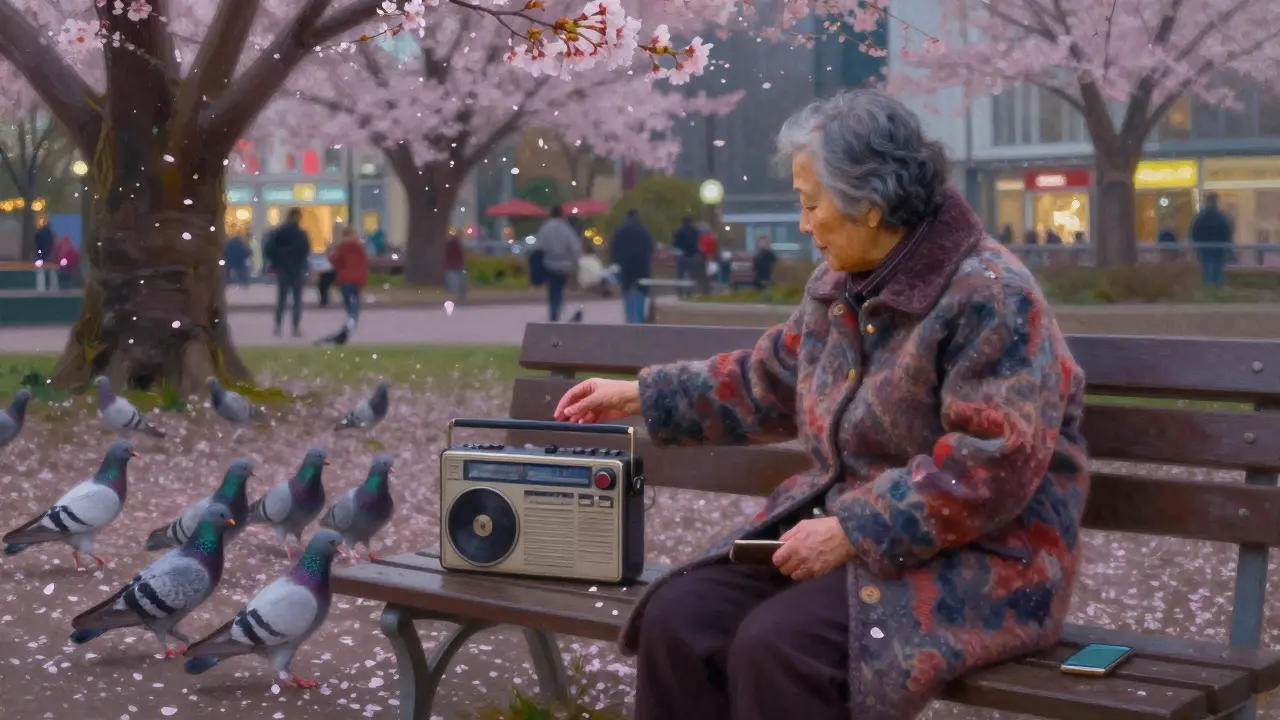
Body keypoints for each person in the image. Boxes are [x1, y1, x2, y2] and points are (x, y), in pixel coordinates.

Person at [552, 89, 1088, 720]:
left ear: (870, 205)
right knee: (681, 618)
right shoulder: (839, 287)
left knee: (779, 648)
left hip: (988, 559)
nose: (803, 225)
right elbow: (772, 379)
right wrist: (641, 395)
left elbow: (991, 464)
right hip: (855, 536)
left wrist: (855, 529)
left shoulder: (993, 296)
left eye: (811, 204)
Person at [263, 207, 311, 337]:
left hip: (283, 269)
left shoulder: (279, 232)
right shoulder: (300, 233)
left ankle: (278, 326)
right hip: (296, 269)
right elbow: (306, 250)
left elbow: (269, 248)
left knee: (282, 299)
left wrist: (277, 261)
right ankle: (295, 327)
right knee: (296, 300)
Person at [534, 204, 582, 322]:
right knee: (559, 290)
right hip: (564, 266)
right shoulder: (567, 229)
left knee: (552, 290)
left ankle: (553, 314)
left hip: (549, 265)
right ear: (562, 214)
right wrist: (574, 263)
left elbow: (539, 246)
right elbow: (575, 248)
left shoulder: (545, 228)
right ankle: (557, 310)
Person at [610, 209, 655, 324]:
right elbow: (650, 248)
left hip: (625, 265)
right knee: (641, 290)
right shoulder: (644, 230)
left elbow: (614, 247)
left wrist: (616, 261)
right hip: (641, 265)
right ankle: (639, 318)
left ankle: (629, 317)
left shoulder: (620, 230)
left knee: (627, 290)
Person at [1191, 192, 1234, 288]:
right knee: (1216, 270)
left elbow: (1194, 233)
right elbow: (1227, 233)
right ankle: (1215, 288)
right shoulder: (1221, 217)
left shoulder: (1200, 217)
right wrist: (1228, 248)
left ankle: (1209, 288)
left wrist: (1196, 245)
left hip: (1205, 249)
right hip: (1217, 249)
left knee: (1207, 270)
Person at [329, 225, 368, 325]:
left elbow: (335, 260)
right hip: (358, 278)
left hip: (346, 278)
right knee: (355, 298)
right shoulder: (359, 247)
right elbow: (363, 261)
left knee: (347, 299)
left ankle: (351, 316)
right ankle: (354, 317)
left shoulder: (343, 248)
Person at [672, 216, 700, 298]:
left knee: (680, 274)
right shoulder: (695, 231)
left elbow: (675, 244)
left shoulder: (679, 231)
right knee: (692, 275)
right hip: (693, 255)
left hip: (682, 255)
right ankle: (690, 292)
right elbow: (698, 242)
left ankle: (680, 292)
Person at [34, 218, 56, 291]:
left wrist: (39, 253)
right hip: (48, 254)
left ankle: (41, 287)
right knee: (48, 271)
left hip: (41, 254)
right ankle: (48, 286)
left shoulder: (40, 232)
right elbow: (52, 244)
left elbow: (37, 243)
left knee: (41, 271)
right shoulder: (50, 233)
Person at [443, 233, 467, 301]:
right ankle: (460, 293)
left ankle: (456, 292)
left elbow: (448, 255)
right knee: (460, 280)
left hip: (452, 265)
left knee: (454, 279)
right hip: (457, 265)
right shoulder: (457, 244)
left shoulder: (449, 244)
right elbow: (460, 255)